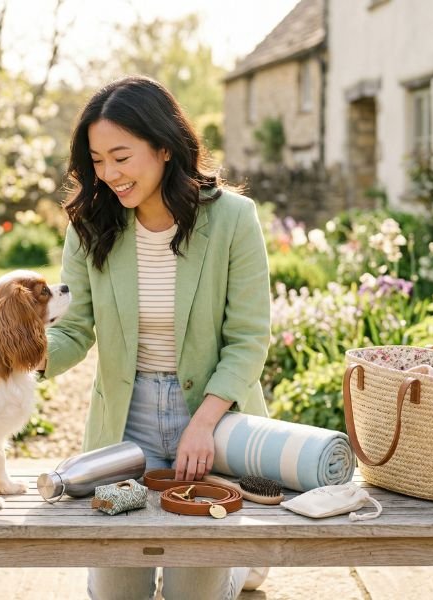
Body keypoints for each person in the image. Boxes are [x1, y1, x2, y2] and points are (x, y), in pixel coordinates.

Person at [41, 75, 271, 600]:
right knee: (121, 594)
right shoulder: (89, 226)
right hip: (126, 425)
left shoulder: (234, 218)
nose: (109, 174)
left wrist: (204, 424)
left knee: (194, 594)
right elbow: (74, 331)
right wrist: (17, 356)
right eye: (97, 161)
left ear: (164, 146)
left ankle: (242, 565)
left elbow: (249, 339)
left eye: (121, 157)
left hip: (215, 418)